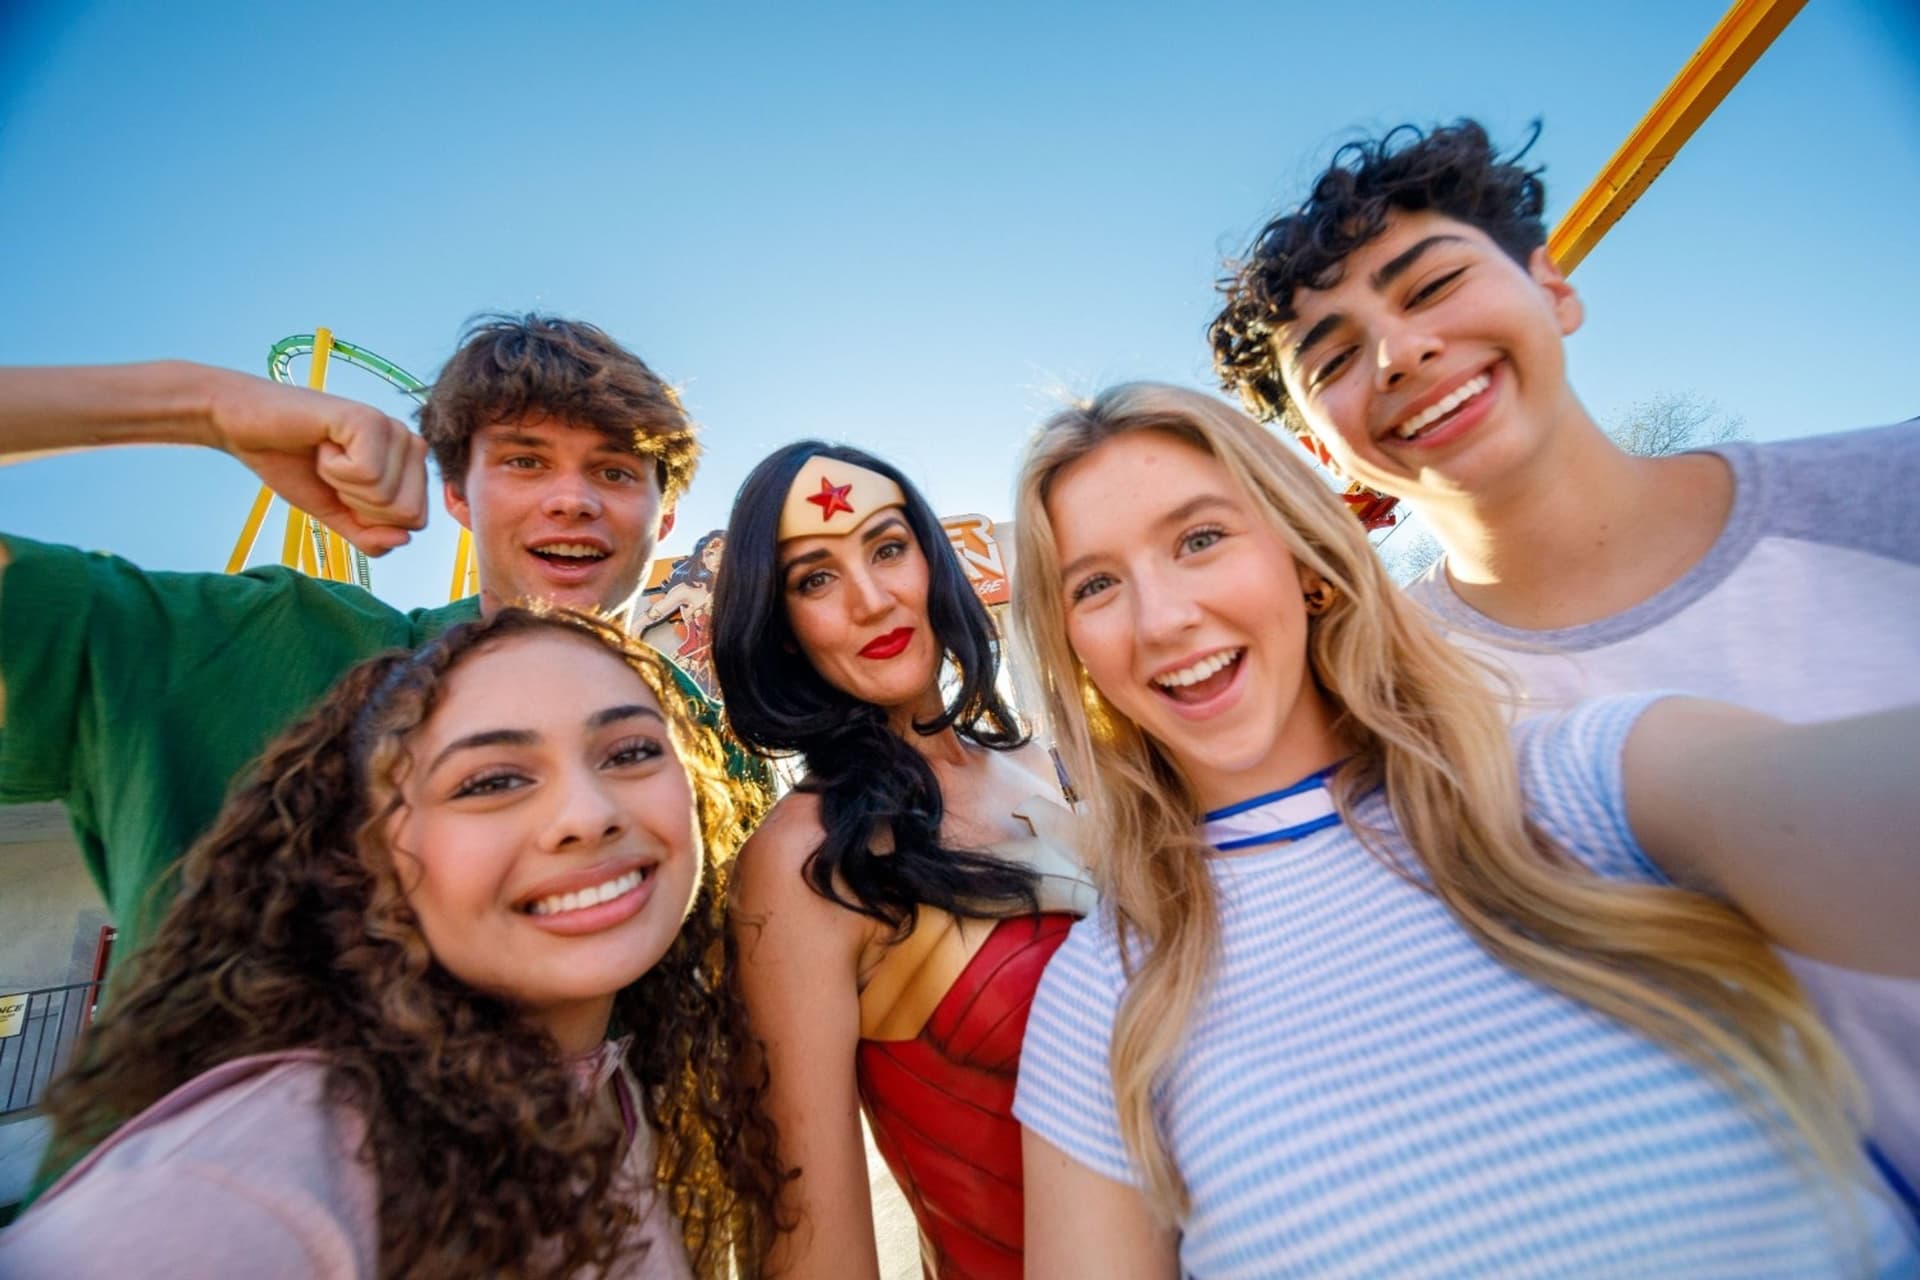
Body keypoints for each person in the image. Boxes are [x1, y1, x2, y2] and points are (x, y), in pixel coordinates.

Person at [1006, 383, 1918, 1278]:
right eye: (1097, 585)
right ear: (1073, 647)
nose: (1163, 619)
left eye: (1201, 539)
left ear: (1306, 561)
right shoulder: (1103, 996)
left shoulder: (1584, 783)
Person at [1205, 120, 1920, 1188]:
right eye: (1337, 357)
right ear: (1318, 449)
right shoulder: (1369, 707)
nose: (1400, 353)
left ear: (1553, 287)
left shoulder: (1891, 496)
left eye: (1432, 285)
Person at [0, 608, 783, 1277]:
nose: (588, 813)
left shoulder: (624, 1088)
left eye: (631, 751)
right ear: (370, 853)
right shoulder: (244, 1182)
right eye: (491, 781)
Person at [0, 314, 764, 977]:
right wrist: (198, 402)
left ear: (665, 518)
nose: (572, 498)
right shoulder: (277, 645)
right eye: (525, 460)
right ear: (459, 495)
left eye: (614, 470)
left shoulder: (708, 745)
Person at [711, 443, 1094, 1278]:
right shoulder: (801, 861)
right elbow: (807, 1244)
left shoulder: (1048, 764)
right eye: (816, 578)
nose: (872, 599)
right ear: (779, 627)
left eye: (888, 548)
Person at [641, 529, 727, 695]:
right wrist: (635, 659)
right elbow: (640, 624)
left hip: (727, 673)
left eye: (724, 552)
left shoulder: (739, 596)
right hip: (690, 668)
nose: (717, 558)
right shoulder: (687, 591)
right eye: (710, 553)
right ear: (701, 558)